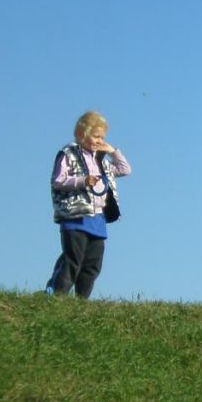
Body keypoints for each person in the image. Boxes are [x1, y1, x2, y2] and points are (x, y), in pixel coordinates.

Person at [46, 111, 132, 298]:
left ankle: (81, 299)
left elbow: (125, 169)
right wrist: (83, 181)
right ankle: (57, 294)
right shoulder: (68, 154)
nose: (99, 141)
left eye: (102, 137)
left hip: (97, 218)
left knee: (92, 264)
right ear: (81, 134)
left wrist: (112, 150)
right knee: (73, 259)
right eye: (96, 136)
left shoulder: (101, 160)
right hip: (75, 216)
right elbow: (58, 180)